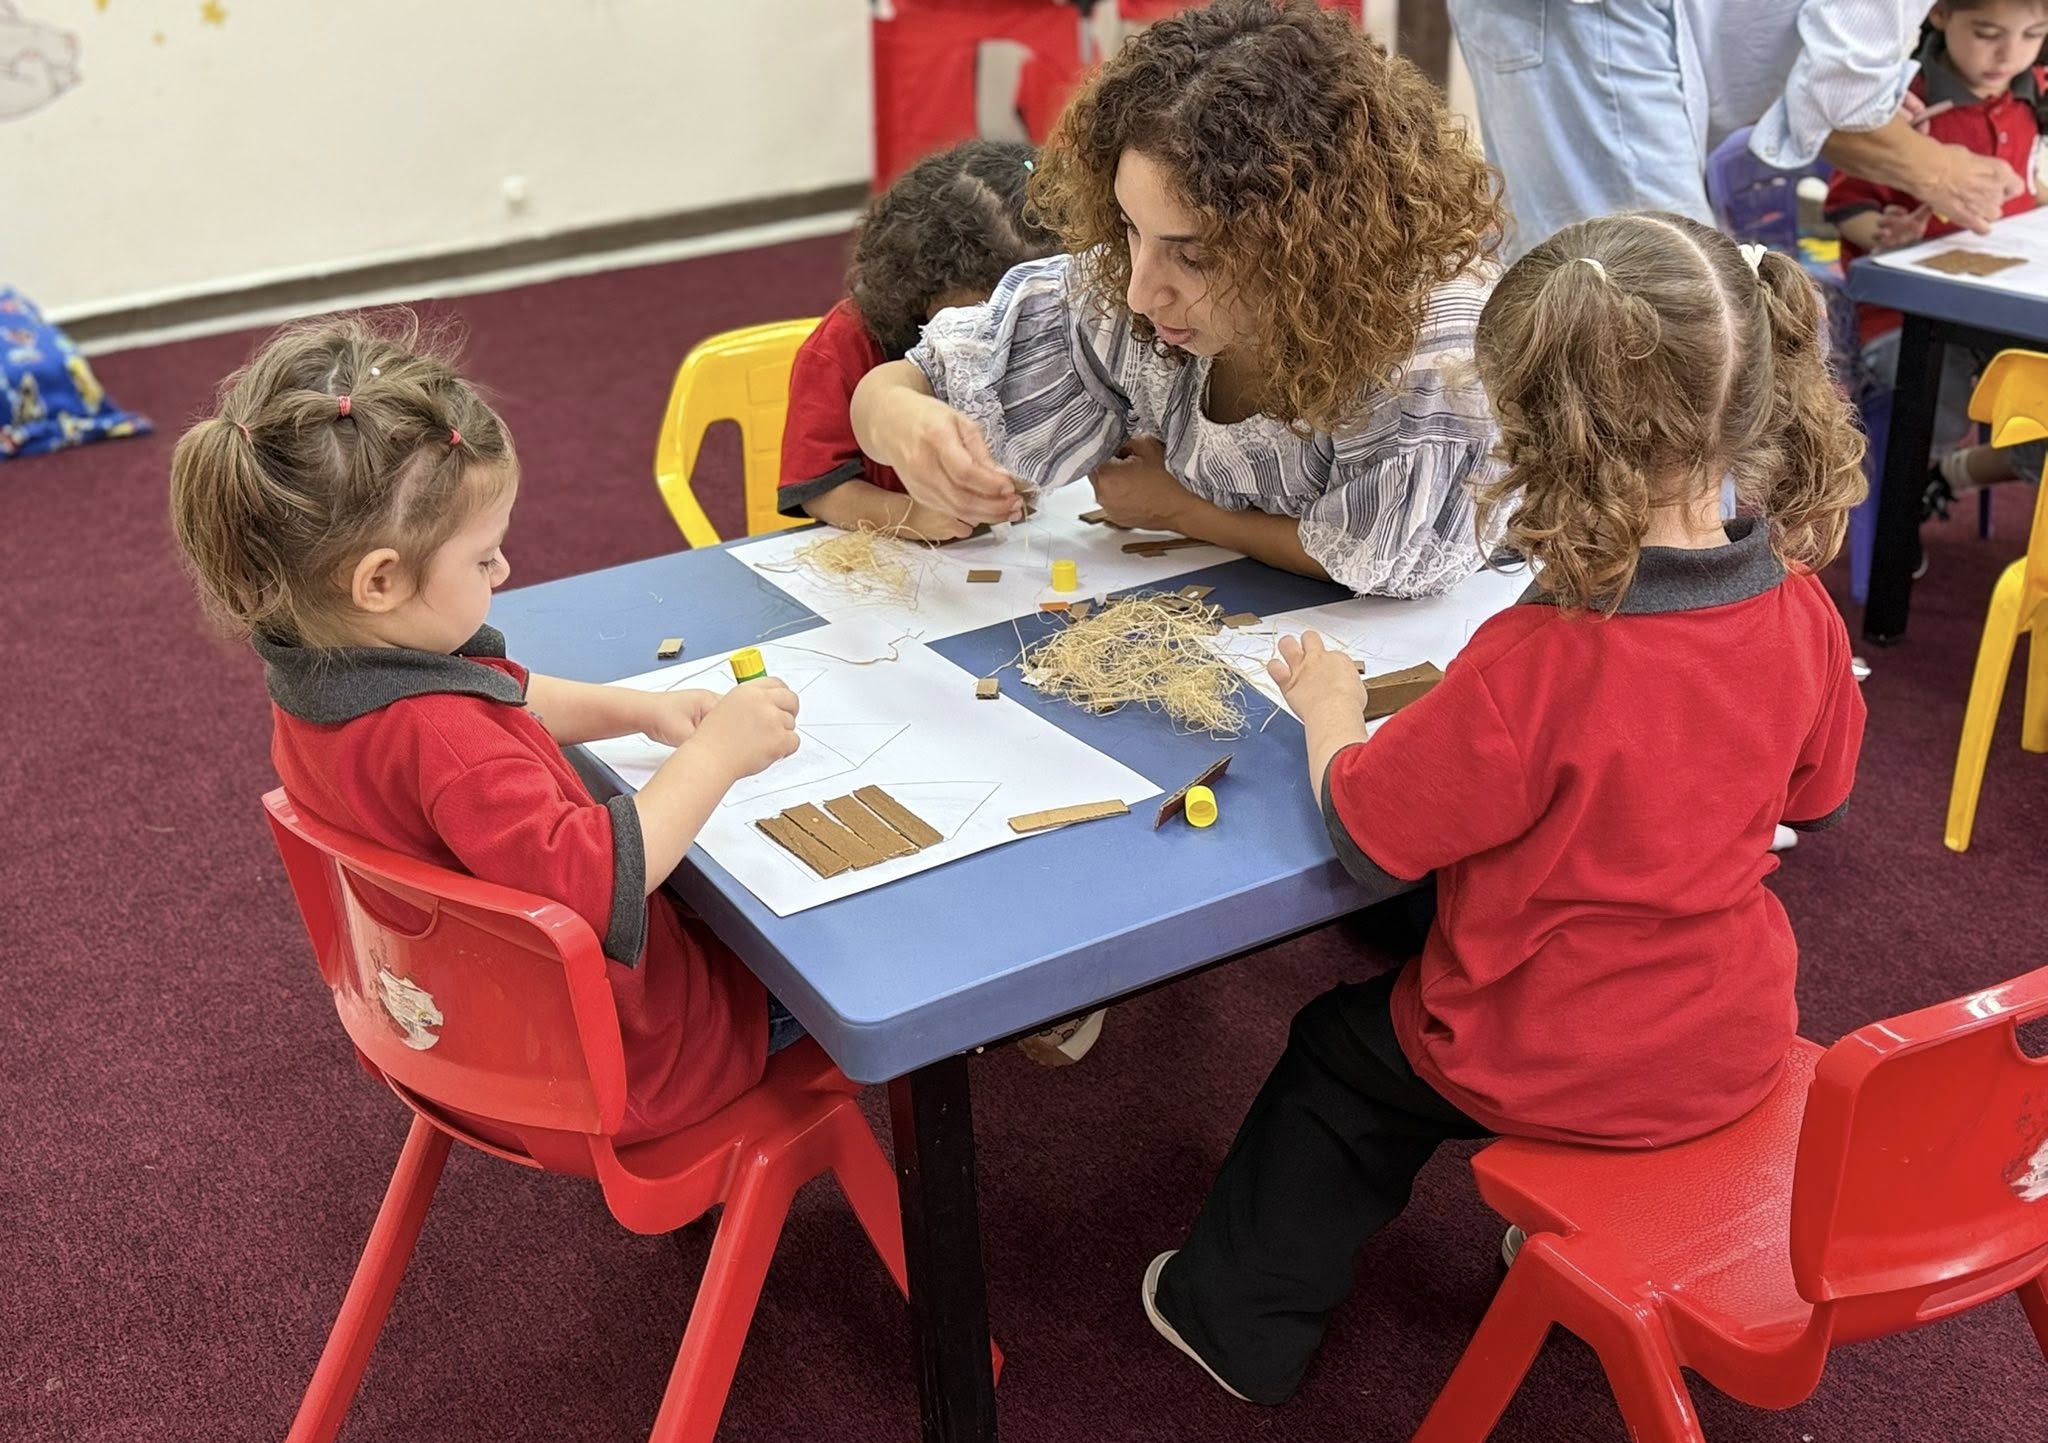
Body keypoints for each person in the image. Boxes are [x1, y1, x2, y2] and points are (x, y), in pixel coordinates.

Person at [1142, 212, 1869, 1406]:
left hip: (1545, 1046)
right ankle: (1567, 1225)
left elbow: (1370, 826)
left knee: (1340, 1055)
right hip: (1727, 1032)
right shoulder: (1795, 610)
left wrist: (1329, 709)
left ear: (1526, 425)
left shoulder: (1539, 655)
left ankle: (1229, 1319)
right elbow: (1817, 791)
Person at [169, 317, 803, 1143]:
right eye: (483, 559)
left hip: (462, 1031)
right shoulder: (444, 741)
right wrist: (719, 754)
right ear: (380, 581)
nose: (504, 572)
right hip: (636, 1060)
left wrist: (641, 711)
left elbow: (504, 693)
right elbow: (597, 875)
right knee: (841, 969)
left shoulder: (317, 672)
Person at [850, 0, 1508, 598]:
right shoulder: (1128, 291)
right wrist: (903, 422)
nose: (1141, 289)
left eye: (1194, 256)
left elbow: (1382, 562)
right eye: (1131, 231)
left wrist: (1184, 512)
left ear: (1312, 245)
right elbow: (896, 385)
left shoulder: (1431, 359)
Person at [1450, 0, 2026, 261]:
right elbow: (1836, 97)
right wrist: (1942, 170)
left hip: (1609, 27)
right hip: (1590, 16)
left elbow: (1831, 90)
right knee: (1656, 318)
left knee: (1627, 314)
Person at [778, 139, 1058, 542]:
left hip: (998, 555)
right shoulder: (843, 347)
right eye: (977, 316)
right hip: (885, 555)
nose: (998, 335)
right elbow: (819, 490)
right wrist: (910, 516)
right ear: (925, 279)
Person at [1828, 0, 2048, 512]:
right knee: (1937, 409)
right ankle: (1899, 510)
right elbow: (1847, 205)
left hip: (2002, 300)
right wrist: (1886, 233)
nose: (2007, 55)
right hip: (1906, 314)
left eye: (2033, 35)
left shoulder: (2030, 90)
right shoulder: (1899, 102)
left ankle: (1943, 480)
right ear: (1942, 14)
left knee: (2035, 394)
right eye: (1988, 32)